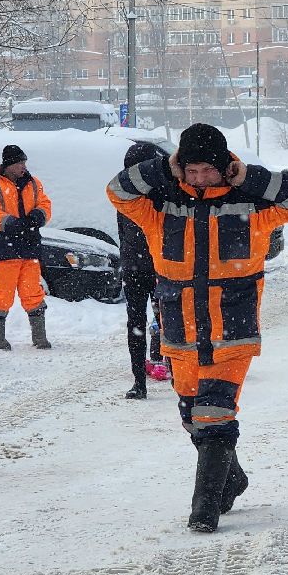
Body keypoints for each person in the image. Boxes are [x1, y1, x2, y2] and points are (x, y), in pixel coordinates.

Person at [107, 122, 288, 532]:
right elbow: (117, 190)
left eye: (209, 171)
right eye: (192, 170)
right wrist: (165, 169)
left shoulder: (250, 205)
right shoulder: (159, 208)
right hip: (180, 334)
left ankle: (204, 509)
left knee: (215, 414)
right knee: (192, 417)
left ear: (224, 168)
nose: (200, 179)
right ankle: (231, 478)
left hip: (232, 332)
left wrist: (247, 176)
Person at [0, 144, 53, 351]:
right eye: (20, 163)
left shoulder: (33, 182)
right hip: (4, 247)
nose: (23, 166)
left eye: (24, 162)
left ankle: (39, 338)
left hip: (29, 246)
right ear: (9, 165)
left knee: (33, 292)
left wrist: (39, 215)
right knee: (2, 293)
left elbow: (45, 204)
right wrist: (12, 224)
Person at [119, 141, 169, 399]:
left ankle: (156, 371)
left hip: (155, 266)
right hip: (140, 267)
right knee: (148, 322)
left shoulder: (163, 192)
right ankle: (140, 379)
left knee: (161, 321)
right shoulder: (127, 192)